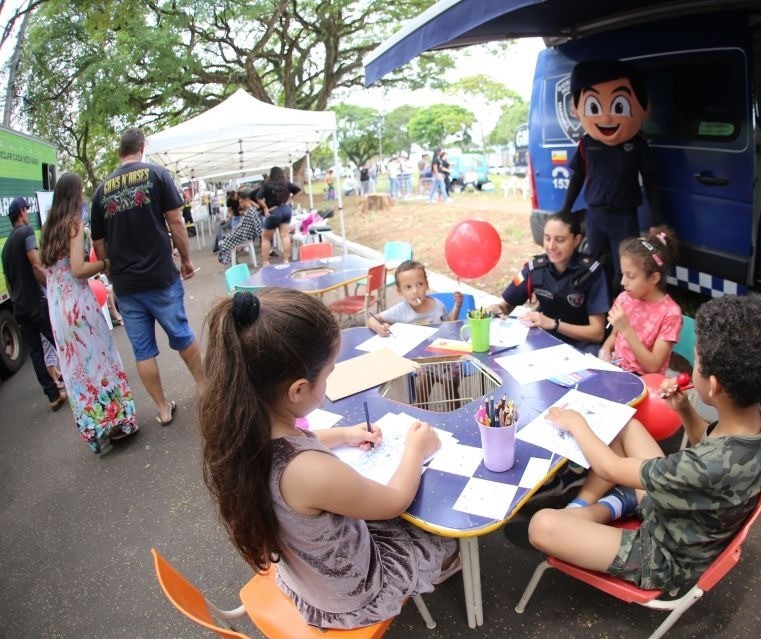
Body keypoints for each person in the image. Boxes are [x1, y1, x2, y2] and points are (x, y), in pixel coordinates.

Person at [199, 288, 458, 629]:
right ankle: (448, 569)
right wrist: (416, 449)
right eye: (328, 373)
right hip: (352, 594)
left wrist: (345, 434)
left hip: (305, 574)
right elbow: (394, 501)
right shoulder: (309, 471)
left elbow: (299, 444)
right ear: (298, 390)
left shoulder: (242, 430)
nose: (329, 380)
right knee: (443, 533)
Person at [528, 295, 761, 596]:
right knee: (626, 426)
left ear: (713, 386)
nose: (691, 366)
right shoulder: (749, 426)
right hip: (682, 511)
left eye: (696, 361)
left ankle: (603, 508)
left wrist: (575, 422)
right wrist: (685, 410)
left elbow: (609, 467)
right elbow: (709, 441)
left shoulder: (704, 466)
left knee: (542, 525)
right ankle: (611, 504)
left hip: (664, 556)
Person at [90, 127, 202, 426]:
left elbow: (99, 245)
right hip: (161, 276)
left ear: (119, 152)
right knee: (181, 335)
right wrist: (187, 260)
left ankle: (163, 409)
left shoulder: (101, 191)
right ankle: (206, 389)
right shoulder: (157, 175)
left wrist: (114, 272)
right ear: (143, 146)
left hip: (126, 286)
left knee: (143, 351)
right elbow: (176, 221)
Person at [40, 172, 138, 454]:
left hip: (58, 310)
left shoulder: (48, 229)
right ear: (75, 194)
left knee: (76, 371)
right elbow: (78, 270)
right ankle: (119, 421)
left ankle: (96, 430)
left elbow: (51, 271)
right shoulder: (73, 225)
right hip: (78, 305)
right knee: (101, 360)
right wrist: (107, 262)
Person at [560, 59, 662, 284]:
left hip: (624, 217)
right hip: (594, 215)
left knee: (625, 268)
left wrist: (657, 220)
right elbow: (577, 176)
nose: (606, 118)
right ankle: (599, 312)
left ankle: (620, 313)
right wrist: (565, 210)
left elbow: (651, 181)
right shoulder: (587, 144)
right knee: (596, 265)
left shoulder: (637, 145)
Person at [486, 211, 610, 354]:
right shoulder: (535, 268)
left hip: (582, 346)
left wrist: (553, 324)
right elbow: (507, 305)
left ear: (576, 240)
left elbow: (597, 333)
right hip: (543, 340)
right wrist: (498, 308)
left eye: (560, 240)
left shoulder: (591, 272)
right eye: (547, 238)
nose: (551, 246)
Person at [1, 196, 67, 410]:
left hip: (19, 306)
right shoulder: (26, 233)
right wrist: (52, 286)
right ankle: (77, 380)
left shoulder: (5, 247)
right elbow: (36, 264)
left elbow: (10, 285)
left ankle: (53, 395)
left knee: (36, 352)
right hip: (35, 303)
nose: (28, 213)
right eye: (26, 209)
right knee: (58, 340)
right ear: (20, 212)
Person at [368, 261, 463, 407]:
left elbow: (449, 324)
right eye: (408, 287)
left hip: (445, 359)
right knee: (421, 395)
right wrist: (379, 327)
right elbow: (372, 319)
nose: (415, 291)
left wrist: (457, 306)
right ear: (400, 291)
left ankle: (456, 418)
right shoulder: (400, 310)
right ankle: (421, 419)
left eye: (419, 284)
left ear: (427, 285)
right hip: (424, 363)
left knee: (452, 394)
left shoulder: (438, 305)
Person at [599, 226, 682, 375]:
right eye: (622, 273)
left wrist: (627, 329)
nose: (623, 282)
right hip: (617, 373)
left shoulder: (670, 314)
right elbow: (613, 337)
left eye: (631, 276)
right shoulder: (624, 298)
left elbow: (653, 366)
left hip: (645, 383)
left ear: (654, 278)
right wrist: (605, 350)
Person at [217, 188, 262, 265]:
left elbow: (257, 227)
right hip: (244, 233)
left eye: (241, 202)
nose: (240, 205)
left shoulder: (251, 211)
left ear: (246, 201)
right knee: (225, 239)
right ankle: (232, 259)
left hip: (245, 234)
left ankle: (229, 259)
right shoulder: (250, 211)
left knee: (224, 241)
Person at [260, 181, 293, 267]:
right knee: (285, 236)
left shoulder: (266, 186)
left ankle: (266, 262)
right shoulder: (283, 185)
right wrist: (286, 203)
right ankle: (286, 260)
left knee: (265, 237)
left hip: (273, 212)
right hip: (285, 210)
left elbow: (258, 198)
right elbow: (297, 191)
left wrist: (265, 207)